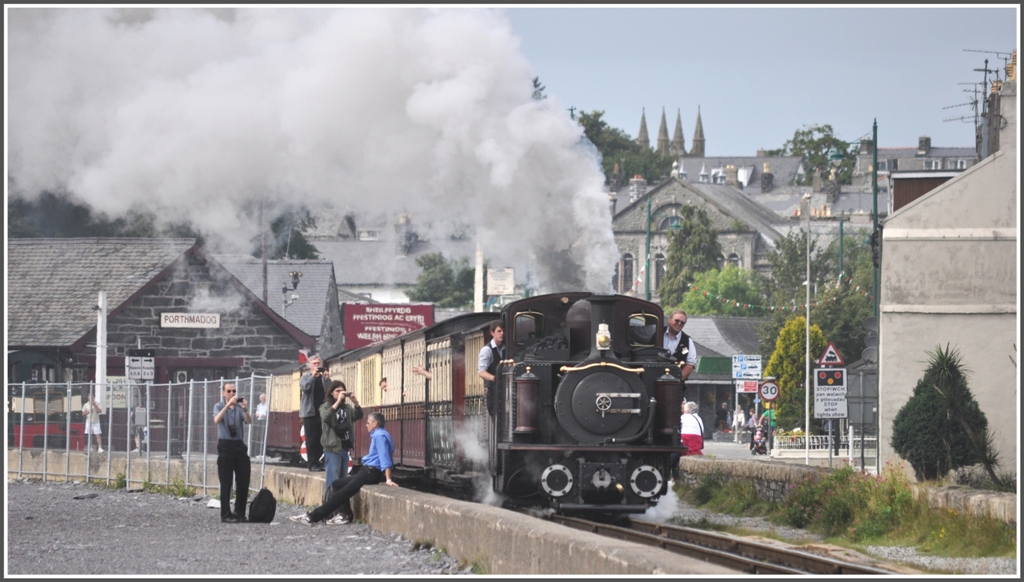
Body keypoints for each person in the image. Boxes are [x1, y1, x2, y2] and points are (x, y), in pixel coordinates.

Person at [290, 412, 399, 526]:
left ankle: (312, 517)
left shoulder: (379, 436)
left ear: (375, 423)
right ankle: (345, 514)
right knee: (337, 484)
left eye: (368, 423)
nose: (366, 425)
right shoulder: (379, 434)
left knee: (343, 493)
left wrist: (388, 479)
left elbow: (384, 457)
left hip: (371, 472)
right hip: (368, 471)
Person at [213, 382, 252, 523]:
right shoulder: (218, 406)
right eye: (229, 391)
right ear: (224, 393)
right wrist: (227, 405)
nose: (232, 393)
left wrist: (245, 409)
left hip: (239, 445)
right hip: (225, 446)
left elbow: (249, 421)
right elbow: (216, 420)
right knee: (226, 482)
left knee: (243, 480)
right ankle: (225, 514)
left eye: (234, 391)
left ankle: (240, 512)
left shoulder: (238, 408)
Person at [320, 380, 362, 505]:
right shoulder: (325, 407)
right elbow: (326, 417)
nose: (340, 393)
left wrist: (355, 402)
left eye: (342, 391)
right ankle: (328, 509)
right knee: (333, 480)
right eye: (337, 391)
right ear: (331, 393)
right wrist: (337, 402)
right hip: (332, 448)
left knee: (342, 481)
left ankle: (340, 509)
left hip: (344, 447)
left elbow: (358, 415)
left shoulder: (347, 408)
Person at [300, 355, 329, 472]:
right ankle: (312, 464)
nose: (317, 365)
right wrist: (313, 376)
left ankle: (318, 462)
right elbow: (305, 388)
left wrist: (327, 379)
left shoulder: (323, 379)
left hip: (322, 412)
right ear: (309, 366)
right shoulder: (305, 377)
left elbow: (329, 391)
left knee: (321, 439)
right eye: (314, 363)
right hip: (309, 413)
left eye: (318, 363)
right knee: (311, 440)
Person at [478, 321, 505, 415]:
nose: (502, 333)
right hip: (493, 390)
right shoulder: (487, 350)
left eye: (503, 331)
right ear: (492, 333)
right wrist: (494, 378)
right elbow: (481, 372)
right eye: (499, 331)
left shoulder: (506, 348)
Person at [663, 310, 696, 386]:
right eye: (677, 320)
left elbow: (690, 364)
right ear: (669, 320)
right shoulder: (658, 332)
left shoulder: (687, 340)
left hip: (675, 386)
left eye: (682, 322)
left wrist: (676, 381)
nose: (679, 323)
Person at [251, 392, 269, 458]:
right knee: (259, 437)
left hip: (264, 421)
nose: (262, 399)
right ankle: (259, 453)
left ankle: (264, 453)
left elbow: (266, 415)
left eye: (263, 398)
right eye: (261, 398)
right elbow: (256, 414)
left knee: (264, 436)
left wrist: (261, 415)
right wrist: (261, 415)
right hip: (259, 421)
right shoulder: (258, 405)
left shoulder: (267, 405)